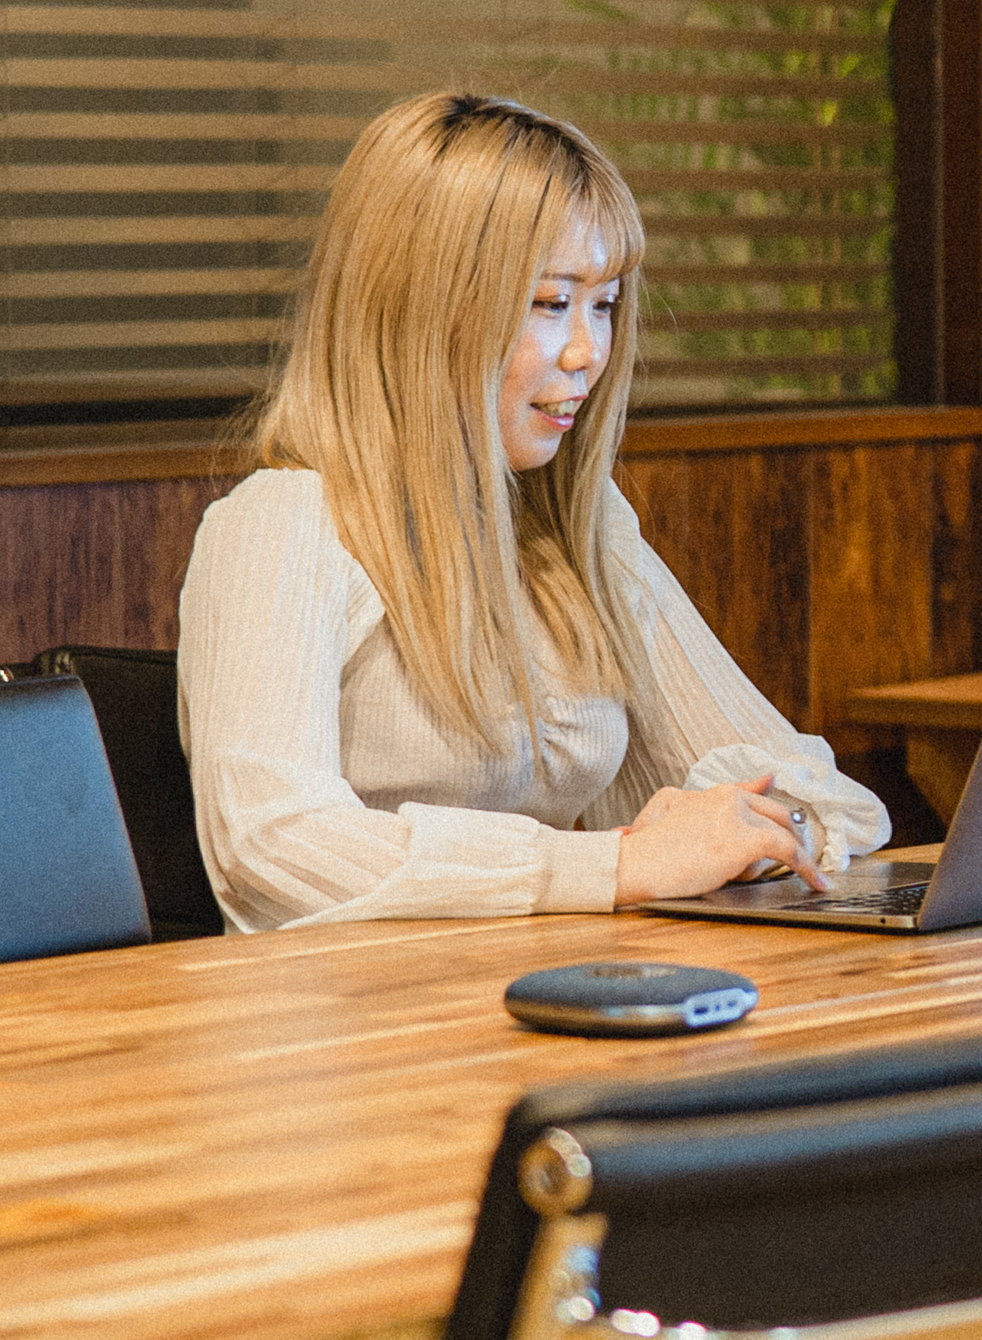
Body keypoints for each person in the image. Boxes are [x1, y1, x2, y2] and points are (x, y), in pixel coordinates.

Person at [176, 88, 889, 931]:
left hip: (538, 1002)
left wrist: (772, 830)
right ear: (424, 313)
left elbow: (830, 801)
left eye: (606, 303)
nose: (590, 352)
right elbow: (271, 847)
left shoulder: (573, 524)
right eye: (552, 304)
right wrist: (617, 862)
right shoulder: (284, 524)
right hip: (356, 1036)